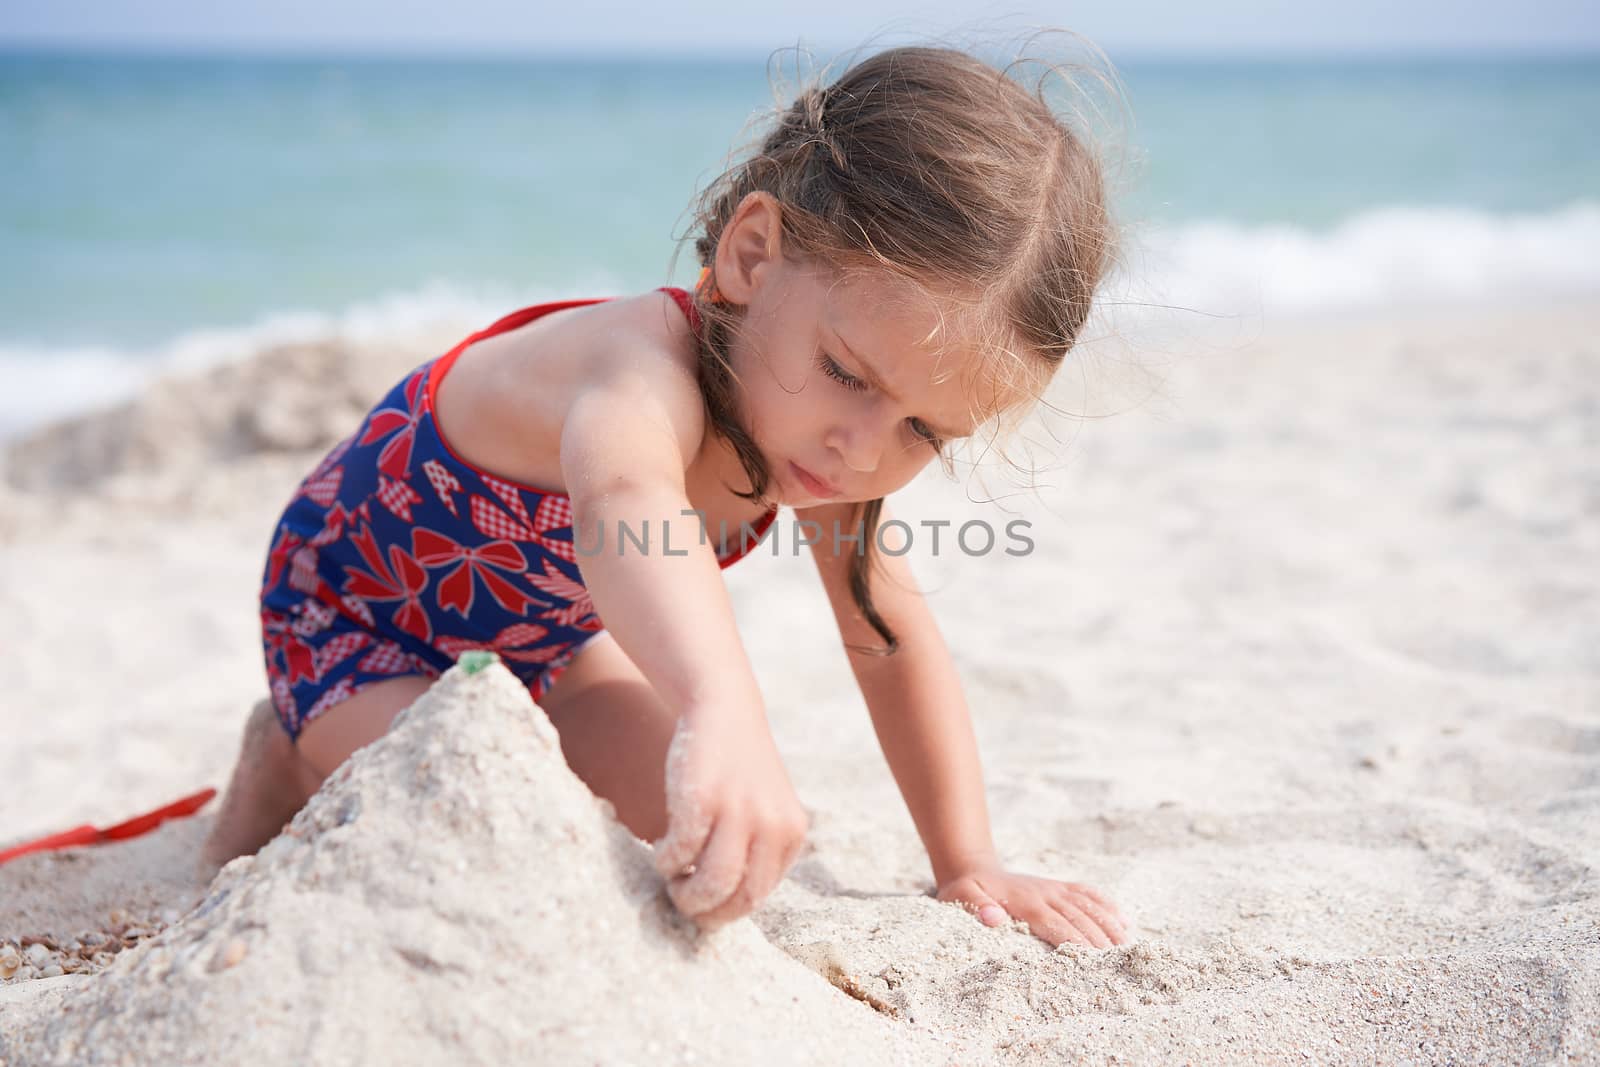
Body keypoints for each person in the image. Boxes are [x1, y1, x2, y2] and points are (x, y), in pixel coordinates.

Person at [203, 43, 1129, 949]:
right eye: (846, 372)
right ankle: (286, 751)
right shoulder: (637, 368)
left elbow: (887, 640)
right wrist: (724, 704)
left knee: (698, 834)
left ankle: (355, 740)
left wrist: (968, 859)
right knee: (502, 823)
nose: (862, 448)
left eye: (924, 432)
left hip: (542, 649)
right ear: (752, 255)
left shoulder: (832, 450)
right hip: (354, 620)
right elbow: (627, 510)